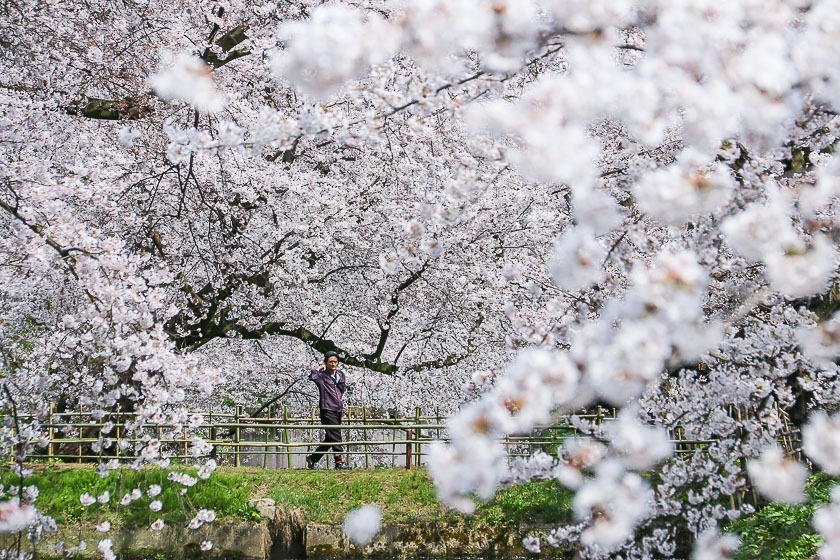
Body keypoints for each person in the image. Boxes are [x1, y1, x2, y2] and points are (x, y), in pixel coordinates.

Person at [305, 351, 352, 470]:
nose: (333, 364)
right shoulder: (321, 376)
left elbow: (342, 388)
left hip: (338, 409)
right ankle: (339, 463)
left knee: (330, 437)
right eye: (330, 362)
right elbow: (312, 377)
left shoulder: (340, 374)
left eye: (335, 362)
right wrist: (317, 369)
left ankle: (313, 458)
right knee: (336, 435)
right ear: (326, 363)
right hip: (327, 408)